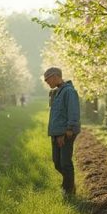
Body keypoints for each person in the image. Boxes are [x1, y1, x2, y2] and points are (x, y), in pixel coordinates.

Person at [44, 67, 80, 195]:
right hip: (56, 133)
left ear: (55, 76)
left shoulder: (69, 91)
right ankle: (69, 184)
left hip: (65, 133)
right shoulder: (57, 92)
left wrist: (69, 130)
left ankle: (68, 190)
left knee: (65, 163)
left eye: (47, 80)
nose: (47, 82)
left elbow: (73, 110)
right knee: (57, 163)